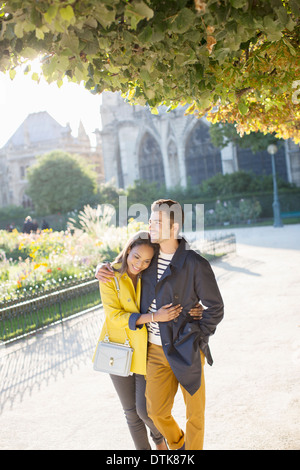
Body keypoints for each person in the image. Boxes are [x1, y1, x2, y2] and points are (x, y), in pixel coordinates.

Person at [96, 199, 224, 450]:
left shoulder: (196, 264)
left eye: (157, 222)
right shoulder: (148, 260)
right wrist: (101, 268)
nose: (150, 225)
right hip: (154, 349)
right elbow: (125, 266)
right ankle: (178, 445)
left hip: (187, 348)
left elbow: (215, 308)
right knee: (154, 412)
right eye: (151, 221)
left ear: (173, 229)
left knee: (194, 414)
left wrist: (198, 335)